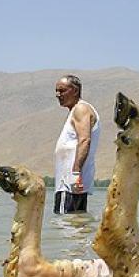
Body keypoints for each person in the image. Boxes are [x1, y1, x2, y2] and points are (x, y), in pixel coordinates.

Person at [54, 75, 100, 214]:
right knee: (76, 225)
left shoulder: (81, 109)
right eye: (56, 91)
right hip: (71, 182)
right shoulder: (76, 111)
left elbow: (84, 140)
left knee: (65, 223)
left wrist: (75, 172)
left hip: (70, 182)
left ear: (75, 91)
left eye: (62, 91)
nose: (58, 95)